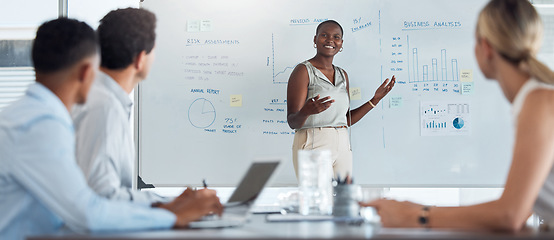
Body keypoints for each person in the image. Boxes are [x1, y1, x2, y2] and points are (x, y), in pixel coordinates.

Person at [0, 18, 222, 240]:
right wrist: (174, 216)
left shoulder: (28, 116)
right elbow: (88, 213)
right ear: (87, 71)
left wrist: (169, 206)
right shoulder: (41, 125)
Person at [362, 0, 554, 231]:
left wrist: (415, 215)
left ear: (485, 48)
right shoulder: (534, 99)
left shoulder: (538, 102)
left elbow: (510, 215)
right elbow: (522, 210)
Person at [72, 8, 163, 204]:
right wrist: (165, 205)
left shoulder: (97, 97)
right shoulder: (104, 106)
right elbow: (101, 195)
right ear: (140, 59)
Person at [287, 20, 395, 178]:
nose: (330, 40)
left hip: (343, 144)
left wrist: (375, 100)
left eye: (336, 37)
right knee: (320, 200)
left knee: (343, 199)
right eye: (324, 35)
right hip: (314, 141)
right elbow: (292, 122)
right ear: (315, 39)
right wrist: (306, 111)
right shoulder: (303, 71)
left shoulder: (343, 75)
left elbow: (346, 119)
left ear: (341, 43)